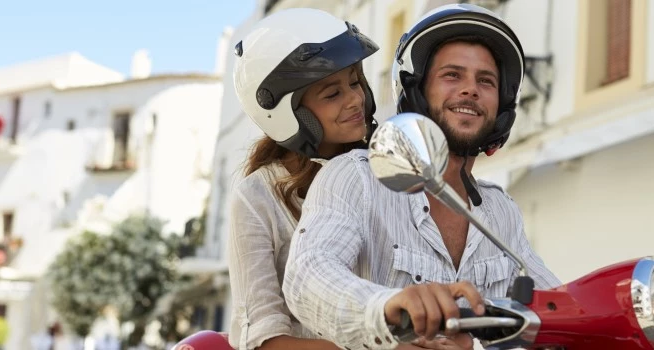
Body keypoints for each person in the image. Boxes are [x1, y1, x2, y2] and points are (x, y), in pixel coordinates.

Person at [282, 4, 561, 349]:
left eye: (485, 81)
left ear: (501, 107)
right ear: (416, 91)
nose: (471, 89)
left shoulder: (501, 210)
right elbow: (309, 274)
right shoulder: (358, 176)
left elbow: (558, 304)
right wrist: (386, 307)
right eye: (452, 75)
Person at [227, 7, 386, 350]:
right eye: (332, 94)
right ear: (286, 112)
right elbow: (265, 339)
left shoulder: (385, 172)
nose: (355, 99)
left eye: (355, 82)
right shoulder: (257, 196)